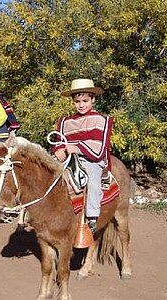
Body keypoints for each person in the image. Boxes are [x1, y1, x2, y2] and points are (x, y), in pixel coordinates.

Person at [53, 78, 113, 234]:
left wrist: (77, 148)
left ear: (93, 100)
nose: (81, 105)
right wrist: (59, 149)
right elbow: (60, 139)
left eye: (85, 100)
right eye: (77, 101)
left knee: (93, 180)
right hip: (69, 159)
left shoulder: (100, 120)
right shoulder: (66, 121)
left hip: (90, 159)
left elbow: (98, 146)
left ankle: (92, 217)